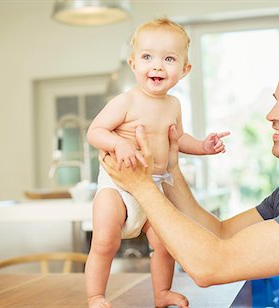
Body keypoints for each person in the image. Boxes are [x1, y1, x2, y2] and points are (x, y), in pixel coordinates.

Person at [100, 46, 279, 307]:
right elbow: (221, 233)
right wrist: (171, 169)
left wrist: (142, 187)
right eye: (276, 100)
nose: (271, 115)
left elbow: (211, 265)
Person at [85, 18, 229, 308]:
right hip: (118, 186)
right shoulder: (125, 102)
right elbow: (95, 132)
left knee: (166, 244)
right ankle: (96, 296)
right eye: (147, 57)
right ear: (133, 63)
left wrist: (202, 146)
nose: (157, 66)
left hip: (154, 186)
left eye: (169, 59)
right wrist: (119, 143)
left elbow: (177, 138)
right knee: (105, 242)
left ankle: (161, 293)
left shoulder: (173, 105)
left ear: (184, 70)